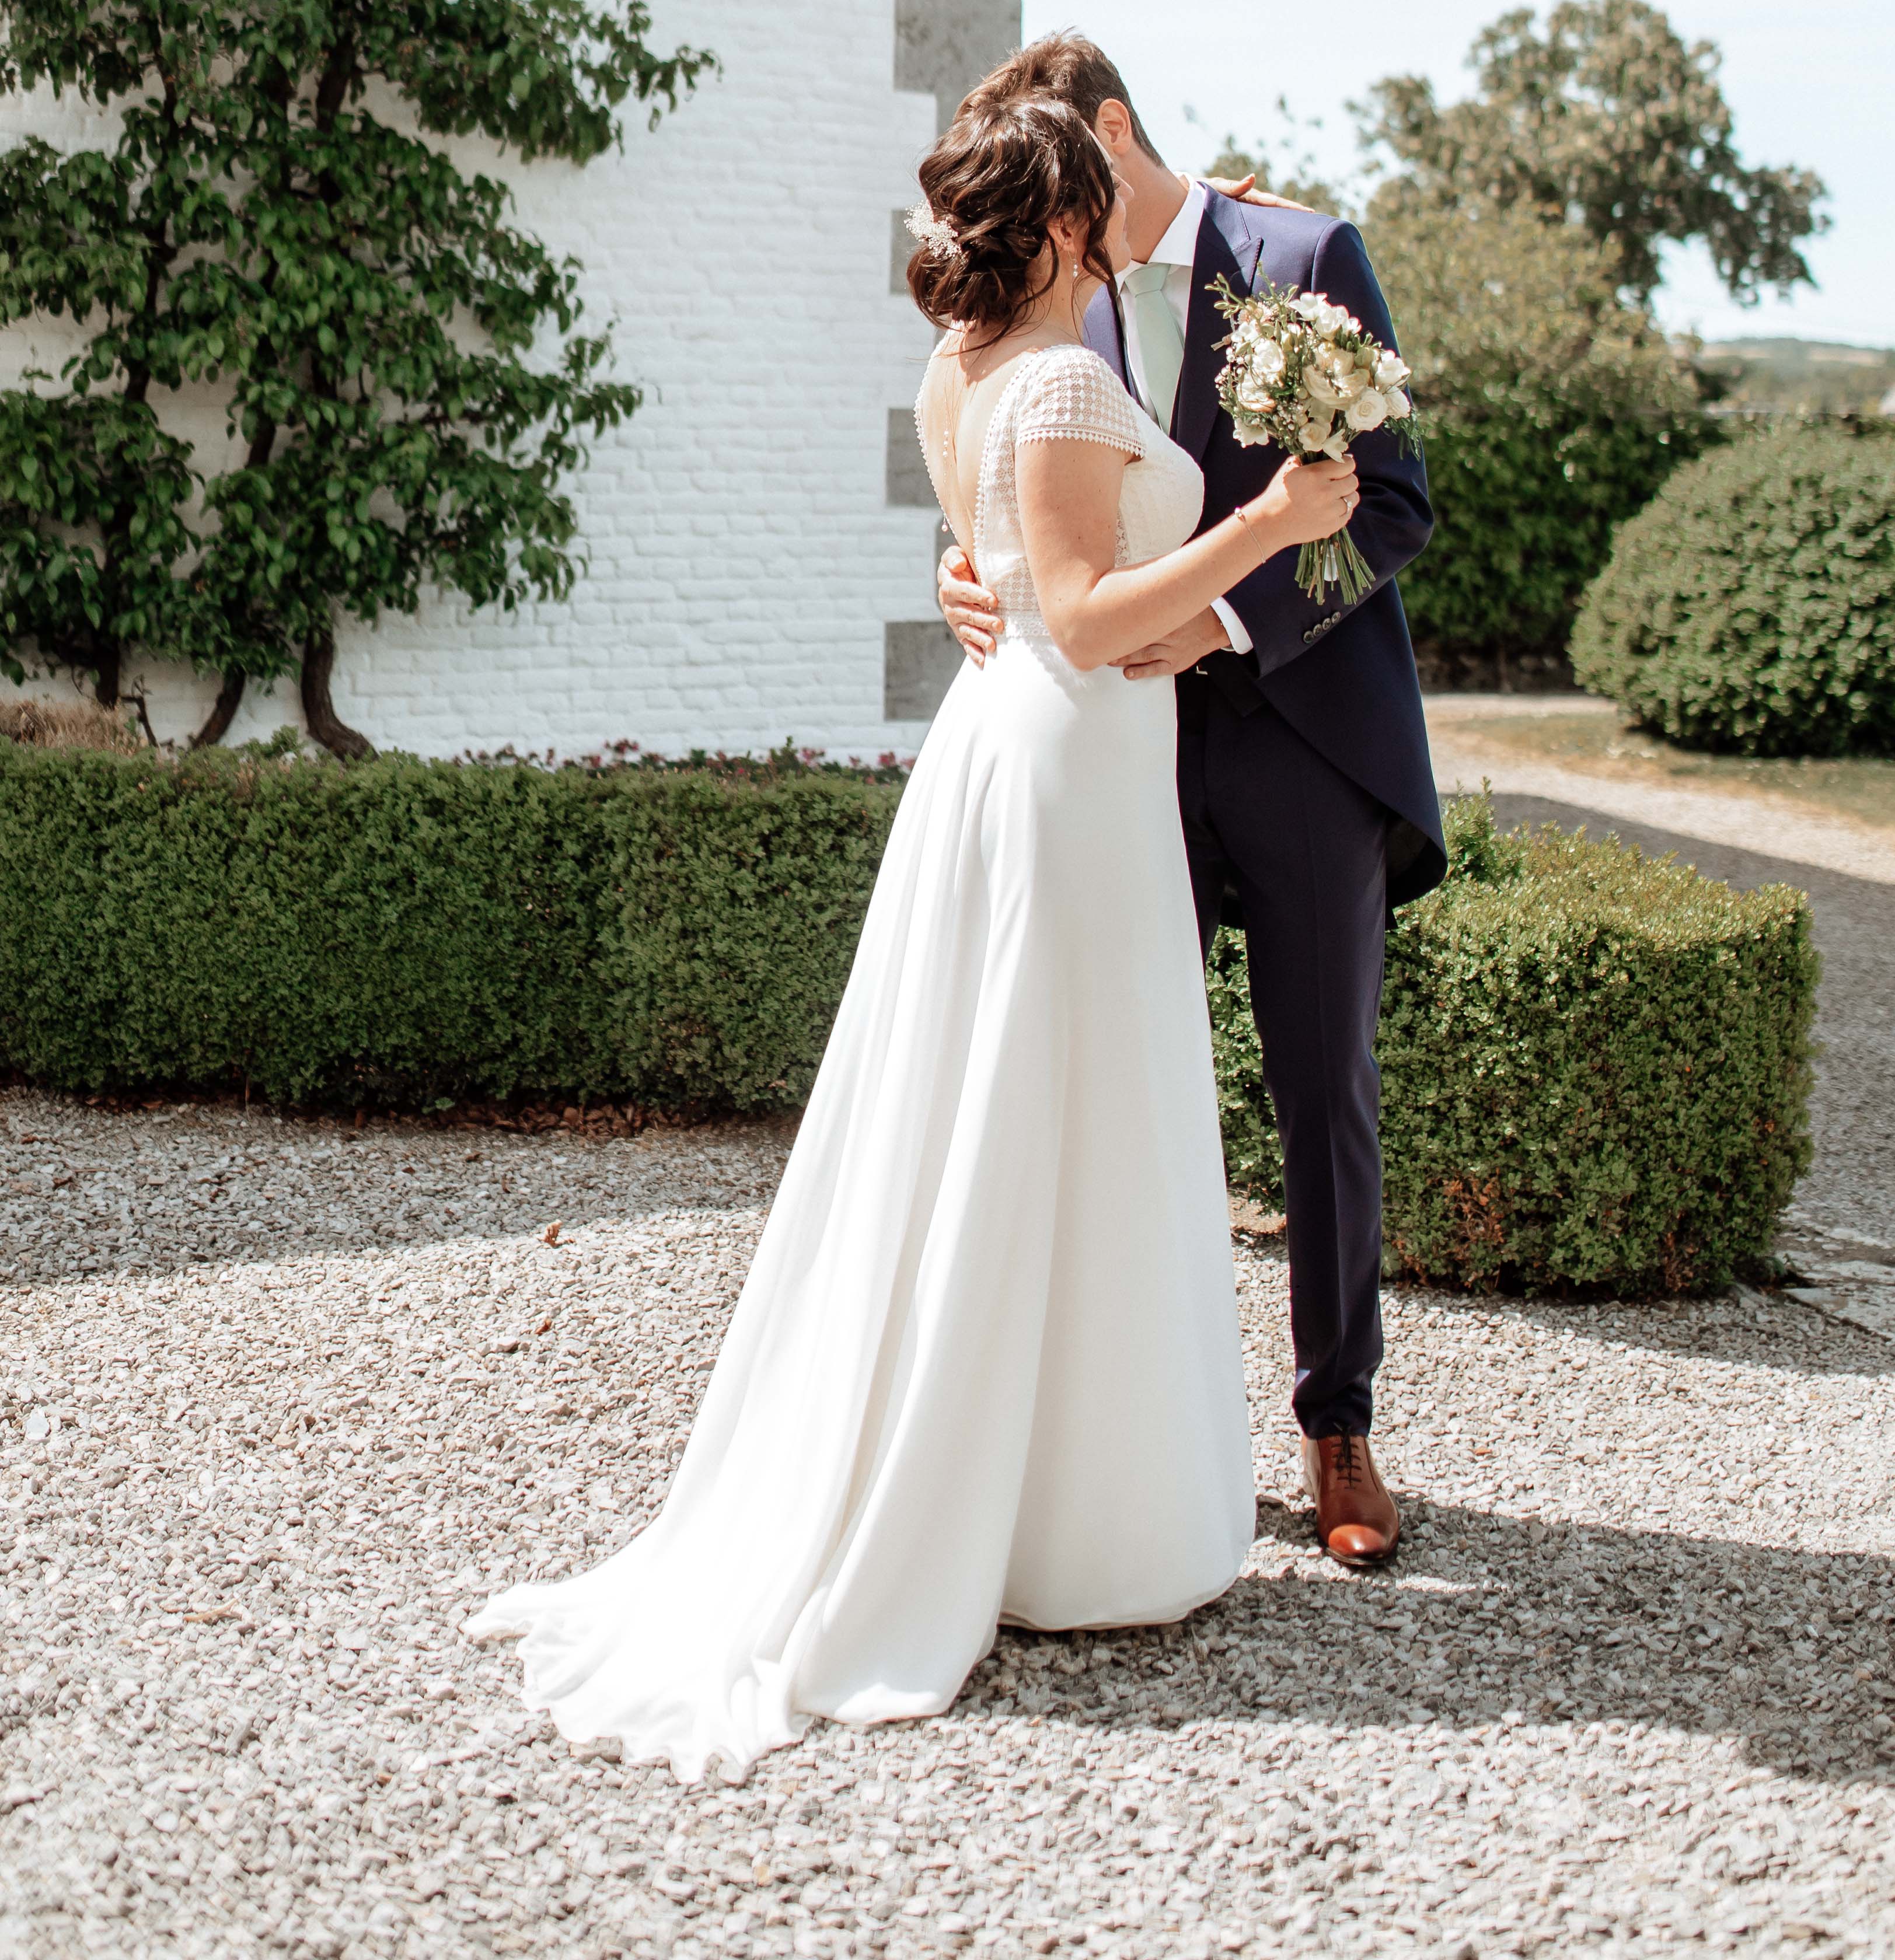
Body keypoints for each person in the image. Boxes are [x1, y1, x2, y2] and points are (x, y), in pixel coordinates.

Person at [469, 91, 1361, 1780]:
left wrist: (1107, 605)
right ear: (1083, 228)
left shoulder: (958, 376)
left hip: (1006, 757)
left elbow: (1009, 579)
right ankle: (1062, 1522)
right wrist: (1267, 527)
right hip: (1068, 770)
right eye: (1113, 215)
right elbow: (1091, 619)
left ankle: (1011, 1485)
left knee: (999, 1113)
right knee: (1055, 1113)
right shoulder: (1075, 379)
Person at [938, 37, 1442, 1570]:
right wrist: (968, 575)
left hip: (1299, 745)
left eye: (1056, 168)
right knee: (1106, 1077)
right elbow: (1023, 484)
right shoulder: (1045, 291)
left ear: (1108, 132)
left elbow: (1393, 509)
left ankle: (1337, 1429)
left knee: (1320, 1090)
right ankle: (1110, 1439)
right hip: (1111, 749)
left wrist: (1230, 622)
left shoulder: (1299, 254)